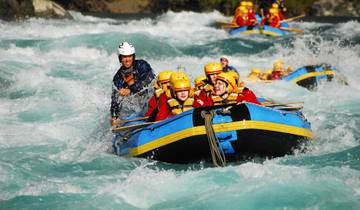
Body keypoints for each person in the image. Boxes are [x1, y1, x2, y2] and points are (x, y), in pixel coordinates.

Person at [110, 41, 155, 125]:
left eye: (129, 56)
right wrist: (114, 116)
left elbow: (148, 80)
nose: (127, 60)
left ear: (133, 57)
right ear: (120, 59)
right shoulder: (117, 78)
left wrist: (130, 90)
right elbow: (115, 100)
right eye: (124, 57)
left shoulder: (142, 65)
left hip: (150, 99)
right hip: (136, 107)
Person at [195, 72, 260, 106]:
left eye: (220, 84)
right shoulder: (210, 98)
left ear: (228, 87)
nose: (216, 86)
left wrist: (246, 104)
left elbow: (258, 107)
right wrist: (200, 103)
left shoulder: (240, 97)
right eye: (216, 83)